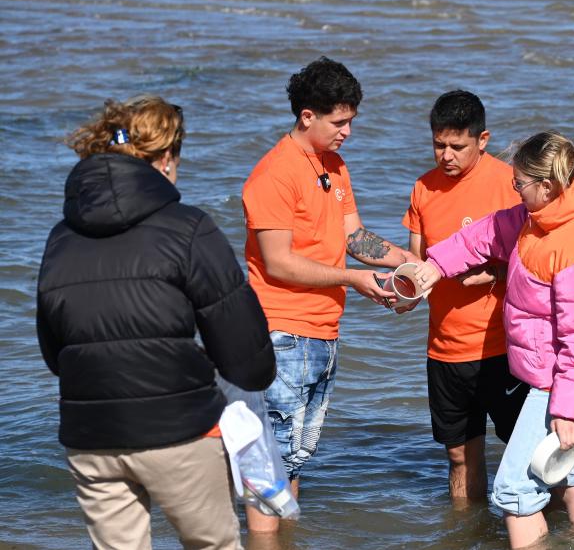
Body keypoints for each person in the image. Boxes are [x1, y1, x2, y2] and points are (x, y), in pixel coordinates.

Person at [36, 95, 276, 549]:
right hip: (178, 428)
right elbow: (244, 353)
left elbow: (55, 353)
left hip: (92, 438)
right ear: (166, 157)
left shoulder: (61, 237)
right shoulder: (188, 227)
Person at [412, 131, 574, 548]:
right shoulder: (541, 217)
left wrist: (566, 411)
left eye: (519, 184)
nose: (514, 190)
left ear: (546, 186)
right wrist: (436, 266)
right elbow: (488, 232)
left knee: (515, 492)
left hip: (565, 384)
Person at [241, 56, 417, 533]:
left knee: (294, 460)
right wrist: (354, 280)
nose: (347, 132)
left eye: (351, 121)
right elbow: (277, 261)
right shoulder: (273, 174)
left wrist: (409, 263)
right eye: (340, 122)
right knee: (268, 468)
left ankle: (287, 541)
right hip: (280, 333)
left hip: (322, 332)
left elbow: (354, 238)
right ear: (307, 117)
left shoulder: (334, 166)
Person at [401, 90, 528, 501]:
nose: (446, 155)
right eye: (439, 144)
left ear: (483, 139)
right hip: (444, 350)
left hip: (503, 349)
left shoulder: (510, 184)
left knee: (528, 455)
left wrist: (495, 271)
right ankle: (465, 535)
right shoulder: (423, 188)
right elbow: (416, 262)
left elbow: (538, 262)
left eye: (458, 146)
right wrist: (401, 291)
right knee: (459, 457)